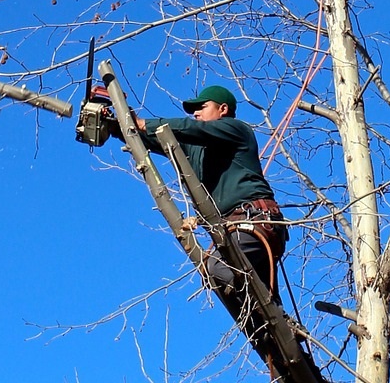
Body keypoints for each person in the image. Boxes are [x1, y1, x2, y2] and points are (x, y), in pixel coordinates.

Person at [120, 85, 287, 302]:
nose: (196, 113)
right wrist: (117, 125)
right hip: (236, 229)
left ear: (223, 109)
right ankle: (273, 319)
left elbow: (190, 129)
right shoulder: (196, 148)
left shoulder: (236, 129)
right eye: (194, 110)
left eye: (202, 107)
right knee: (257, 307)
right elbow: (158, 139)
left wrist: (144, 123)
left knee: (218, 268)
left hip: (254, 220)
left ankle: (263, 309)